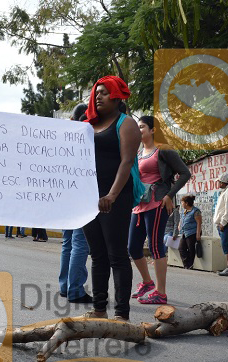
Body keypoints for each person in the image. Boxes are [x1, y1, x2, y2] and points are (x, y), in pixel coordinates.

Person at [81, 76, 140, 321]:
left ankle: (122, 314)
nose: (98, 96)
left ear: (116, 96)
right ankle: (98, 309)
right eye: (96, 93)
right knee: (97, 255)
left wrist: (112, 195)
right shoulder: (86, 125)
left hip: (114, 197)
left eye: (104, 92)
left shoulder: (125, 123)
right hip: (88, 199)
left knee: (117, 254)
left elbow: (126, 162)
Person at [129, 115, 191, 304]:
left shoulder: (163, 150)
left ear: (153, 130)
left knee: (156, 247)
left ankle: (160, 293)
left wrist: (169, 195)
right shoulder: (138, 153)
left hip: (157, 203)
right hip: (140, 204)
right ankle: (147, 282)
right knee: (133, 247)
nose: (138, 130)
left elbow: (185, 173)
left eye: (142, 127)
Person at [59, 104, 94, 304]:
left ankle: (65, 286)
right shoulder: (89, 137)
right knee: (80, 243)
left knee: (68, 242)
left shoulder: (65, 139)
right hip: (83, 196)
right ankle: (75, 290)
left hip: (67, 196)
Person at [178, 195, 202, 270]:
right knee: (181, 248)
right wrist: (179, 225)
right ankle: (186, 264)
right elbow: (182, 219)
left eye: (182, 202)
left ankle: (190, 264)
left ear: (186, 203)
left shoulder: (195, 211)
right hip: (184, 232)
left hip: (192, 232)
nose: (181, 204)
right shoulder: (184, 211)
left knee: (191, 249)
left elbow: (199, 223)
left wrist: (198, 234)